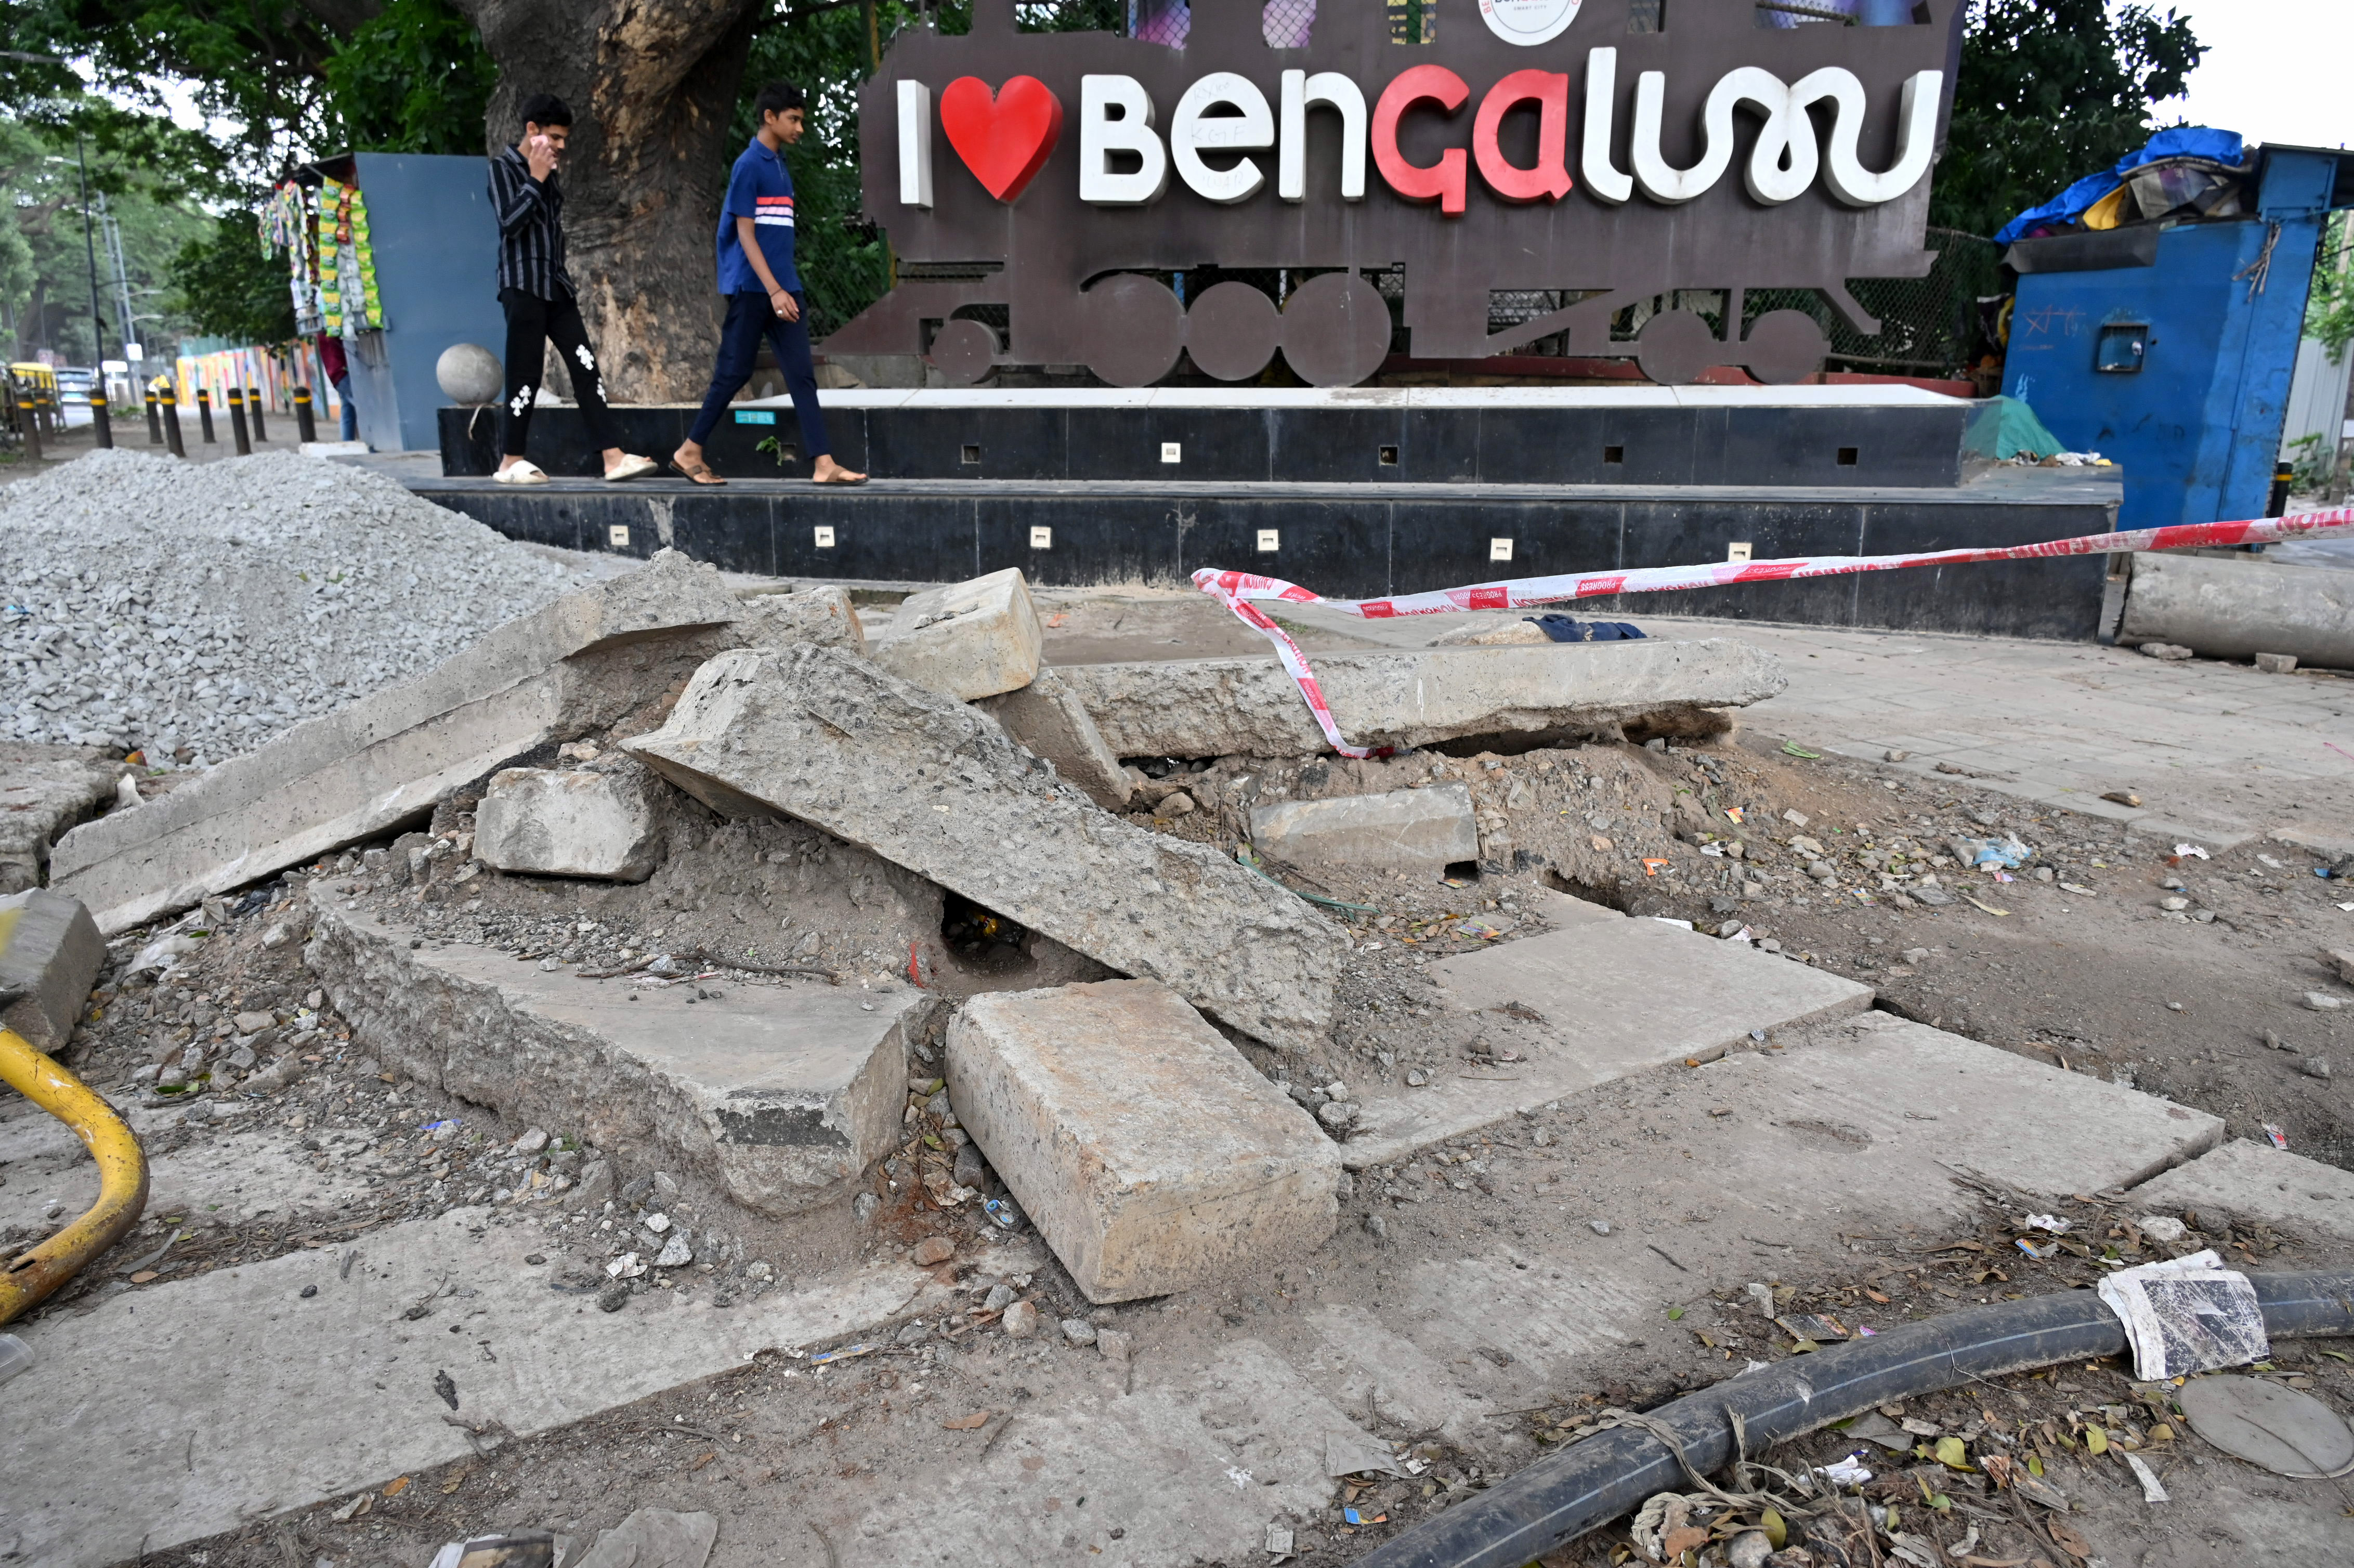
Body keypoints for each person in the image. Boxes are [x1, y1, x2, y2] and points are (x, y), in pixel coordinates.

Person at [671, 80, 865, 486]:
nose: (800, 128)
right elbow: (746, 235)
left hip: (783, 288)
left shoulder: (779, 165)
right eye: (793, 120)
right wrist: (773, 289)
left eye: (801, 120)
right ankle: (690, 451)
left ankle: (824, 464)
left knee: (801, 373)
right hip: (754, 289)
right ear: (770, 118)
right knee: (734, 372)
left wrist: (784, 288)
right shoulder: (748, 165)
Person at [487, 93, 657, 485]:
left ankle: (612, 458)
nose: (562, 146)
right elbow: (510, 224)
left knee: (585, 367)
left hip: (556, 286)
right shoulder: (504, 169)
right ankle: (510, 461)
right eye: (555, 137)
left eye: (564, 139)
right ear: (532, 131)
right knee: (525, 374)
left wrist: (544, 177)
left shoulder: (551, 173)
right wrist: (536, 177)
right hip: (523, 286)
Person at [317, 334, 359, 442]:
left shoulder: (322, 333)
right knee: (361, 407)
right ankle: (372, 444)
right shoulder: (332, 331)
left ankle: (347, 443)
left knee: (348, 410)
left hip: (336, 375)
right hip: (343, 372)